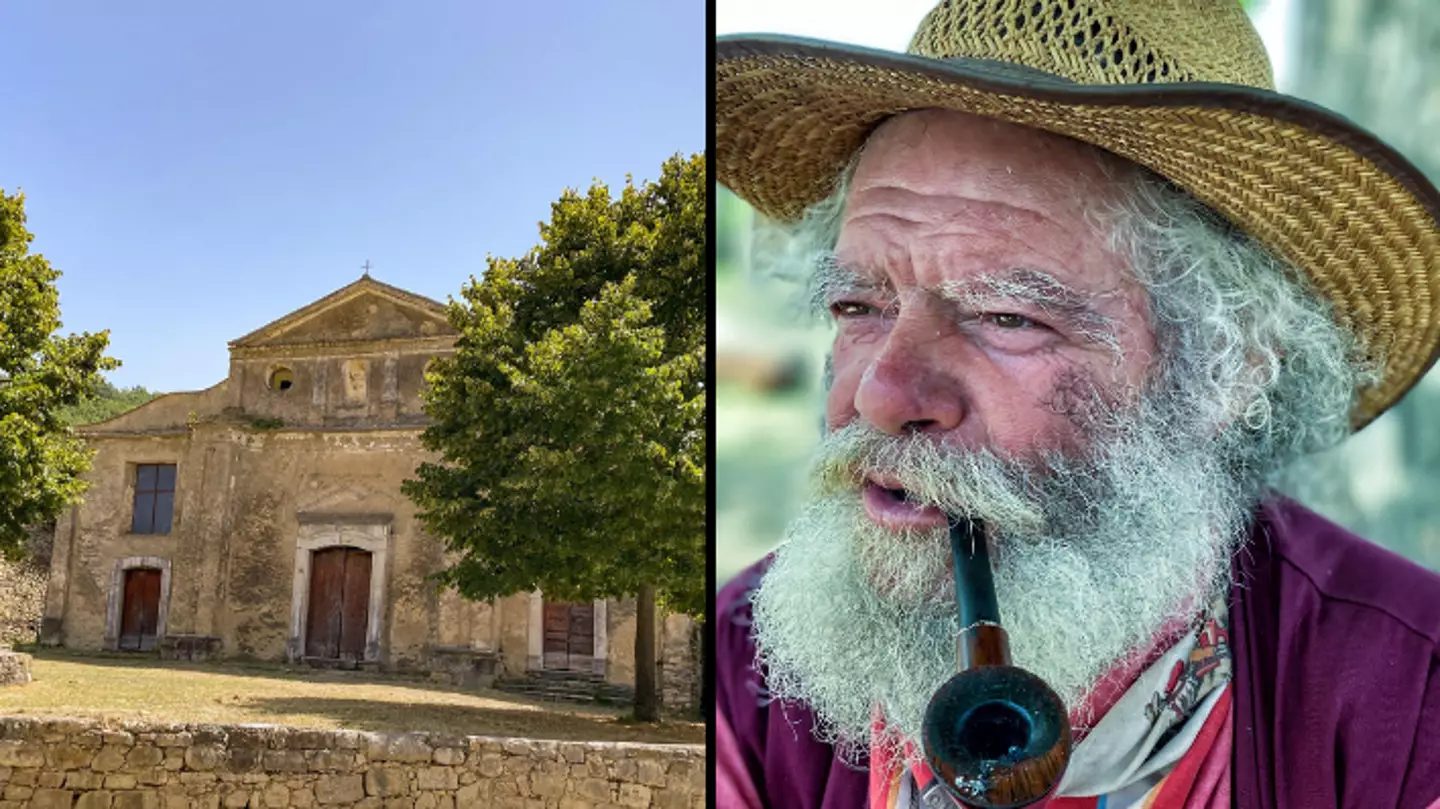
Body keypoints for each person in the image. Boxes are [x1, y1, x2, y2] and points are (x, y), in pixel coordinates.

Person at [714, 2, 1440, 807]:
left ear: (1229, 369)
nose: (883, 395)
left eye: (1007, 317)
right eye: (858, 306)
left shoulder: (1412, 705)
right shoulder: (736, 670)